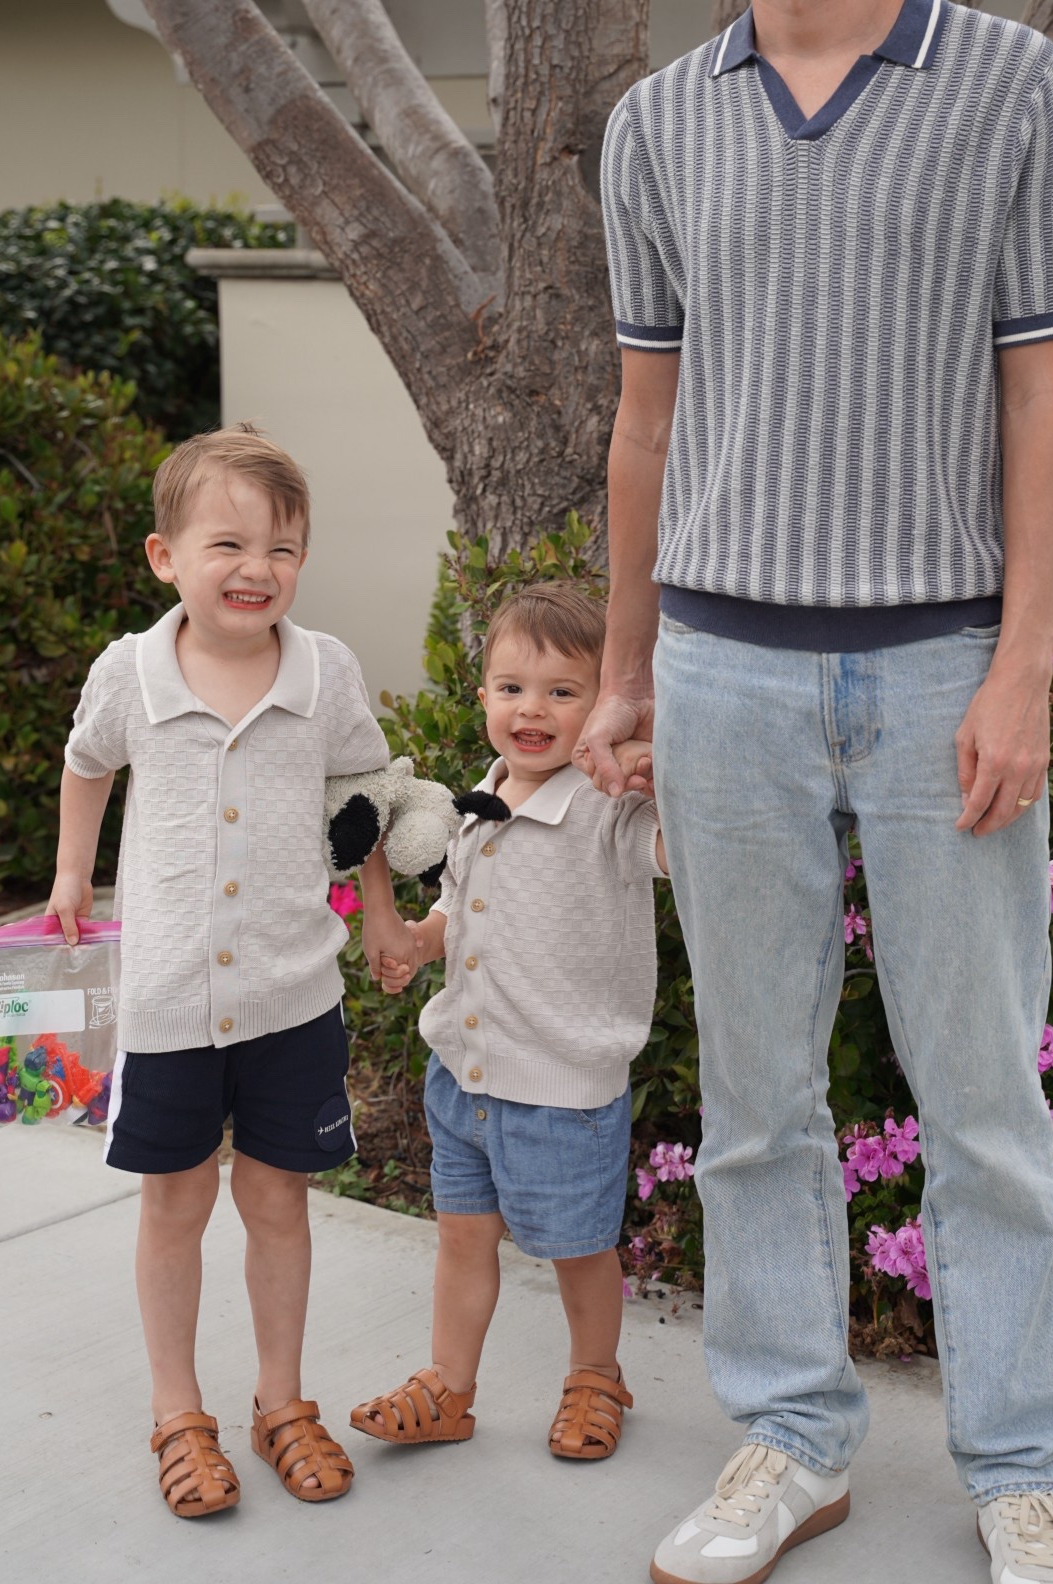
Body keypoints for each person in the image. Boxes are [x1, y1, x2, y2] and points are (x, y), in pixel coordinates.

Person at [579, 0, 1053, 1584]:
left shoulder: (1006, 82)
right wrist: (627, 671)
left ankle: (1021, 1459)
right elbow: (644, 426)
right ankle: (788, 1441)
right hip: (721, 677)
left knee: (981, 1097)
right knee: (756, 1099)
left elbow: (1039, 393)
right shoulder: (656, 125)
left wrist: (1021, 665)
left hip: (934, 666)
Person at [46, 424, 415, 1517]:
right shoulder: (130, 672)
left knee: (277, 1201)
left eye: (283, 548)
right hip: (167, 1000)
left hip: (293, 998)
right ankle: (178, 1412)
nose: (256, 568)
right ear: (165, 556)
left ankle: (280, 1399)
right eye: (228, 543)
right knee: (175, 1203)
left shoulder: (326, 669)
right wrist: (72, 874)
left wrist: (385, 918)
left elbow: (365, 800)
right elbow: (85, 764)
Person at [350, 582, 665, 1462]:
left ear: (602, 707)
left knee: (580, 1250)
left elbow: (683, 853)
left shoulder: (611, 808)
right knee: (460, 1239)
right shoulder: (472, 807)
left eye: (564, 692)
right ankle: (449, 1387)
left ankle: (596, 1375)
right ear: (483, 694)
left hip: (562, 1088)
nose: (533, 710)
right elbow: (455, 912)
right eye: (512, 687)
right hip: (461, 1075)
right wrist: (416, 943)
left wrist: (660, 768)